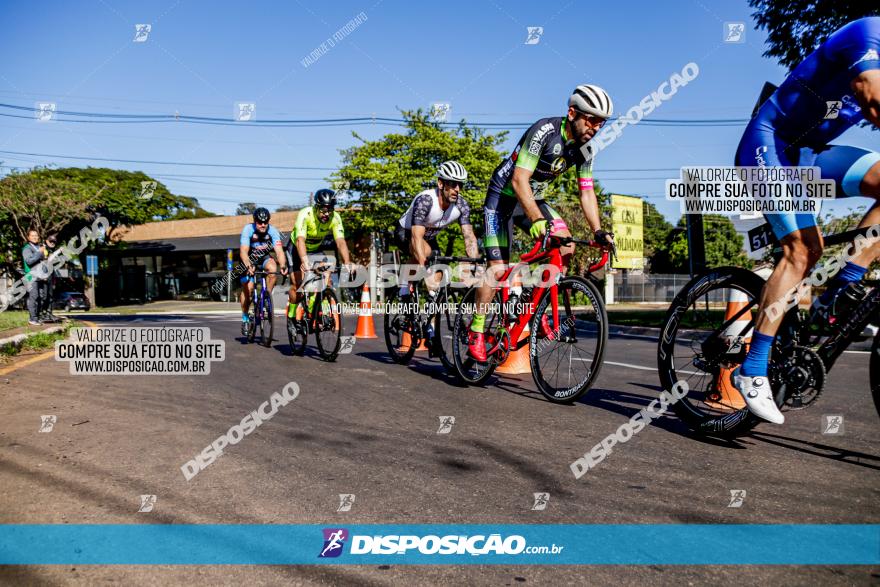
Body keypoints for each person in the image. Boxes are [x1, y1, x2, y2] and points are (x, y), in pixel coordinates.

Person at [733, 17, 880, 424]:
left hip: (810, 153)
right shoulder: (868, 33)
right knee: (803, 250)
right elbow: (872, 96)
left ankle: (842, 290)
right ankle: (753, 369)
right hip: (770, 142)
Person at [467, 85, 616, 361]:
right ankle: (476, 330)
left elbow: (586, 191)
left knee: (567, 246)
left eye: (601, 122)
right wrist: (536, 220)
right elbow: (519, 179)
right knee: (498, 270)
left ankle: (538, 307)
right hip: (503, 198)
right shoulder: (544, 131)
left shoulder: (586, 149)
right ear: (572, 113)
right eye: (591, 119)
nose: (596, 127)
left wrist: (597, 231)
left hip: (531, 200)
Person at [393, 161, 480, 296]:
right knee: (426, 254)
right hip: (405, 232)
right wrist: (424, 269)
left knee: (438, 270)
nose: (457, 189)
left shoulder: (461, 205)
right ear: (440, 183)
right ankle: (404, 287)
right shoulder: (425, 201)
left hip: (429, 237)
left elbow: (469, 237)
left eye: (460, 184)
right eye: (452, 183)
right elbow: (416, 237)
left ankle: (433, 305)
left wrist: (476, 264)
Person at [286, 189, 352, 322]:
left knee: (326, 279)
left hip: (315, 249)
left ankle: (318, 310)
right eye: (323, 210)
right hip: (296, 248)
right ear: (316, 207)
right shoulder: (305, 214)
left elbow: (340, 242)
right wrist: (304, 261)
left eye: (329, 210)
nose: (326, 214)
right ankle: (292, 316)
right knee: (298, 285)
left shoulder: (335, 218)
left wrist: (347, 262)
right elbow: (300, 240)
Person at [239, 207, 288, 335]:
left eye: (265, 222)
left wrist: (282, 265)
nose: (263, 225)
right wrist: (248, 265)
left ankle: (266, 298)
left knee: (273, 267)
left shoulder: (272, 231)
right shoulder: (248, 229)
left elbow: (279, 251)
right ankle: (245, 317)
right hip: (248, 259)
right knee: (248, 289)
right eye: (260, 222)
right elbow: (243, 251)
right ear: (255, 221)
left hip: (264, 258)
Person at [21, 229, 48, 326]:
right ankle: (32, 319)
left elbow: (43, 263)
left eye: (36, 235)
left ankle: (37, 317)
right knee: (34, 296)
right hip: (30, 275)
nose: (35, 237)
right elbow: (29, 261)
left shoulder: (39, 247)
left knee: (41, 297)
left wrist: (45, 274)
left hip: (40, 276)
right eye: (32, 235)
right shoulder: (27, 248)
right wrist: (39, 253)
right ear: (28, 237)